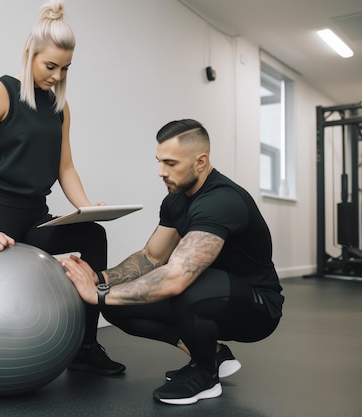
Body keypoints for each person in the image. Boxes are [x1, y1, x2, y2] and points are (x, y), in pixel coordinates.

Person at [59, 119, 284, 404]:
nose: (161, 172)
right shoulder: (176, 198)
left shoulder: (222, 201)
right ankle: (213, 355)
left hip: (257, 308)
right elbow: (152, 255)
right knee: (117, 305)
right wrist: (100, 281)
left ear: (200, 161)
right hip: (207, 295)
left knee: (187, 284)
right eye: (159, 162)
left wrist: (98, 295)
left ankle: (205, 375)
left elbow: (177, 276)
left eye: (170, 163)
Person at [0, 0, 125, 376]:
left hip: (35, 218)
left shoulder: (60, 108)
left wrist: (86, 207)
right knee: (9, 294)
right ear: (29, 54)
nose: (57, 75)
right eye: (50, 66)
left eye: (65, 68)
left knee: (94, 235)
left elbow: (65, 167)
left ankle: (86, 345)